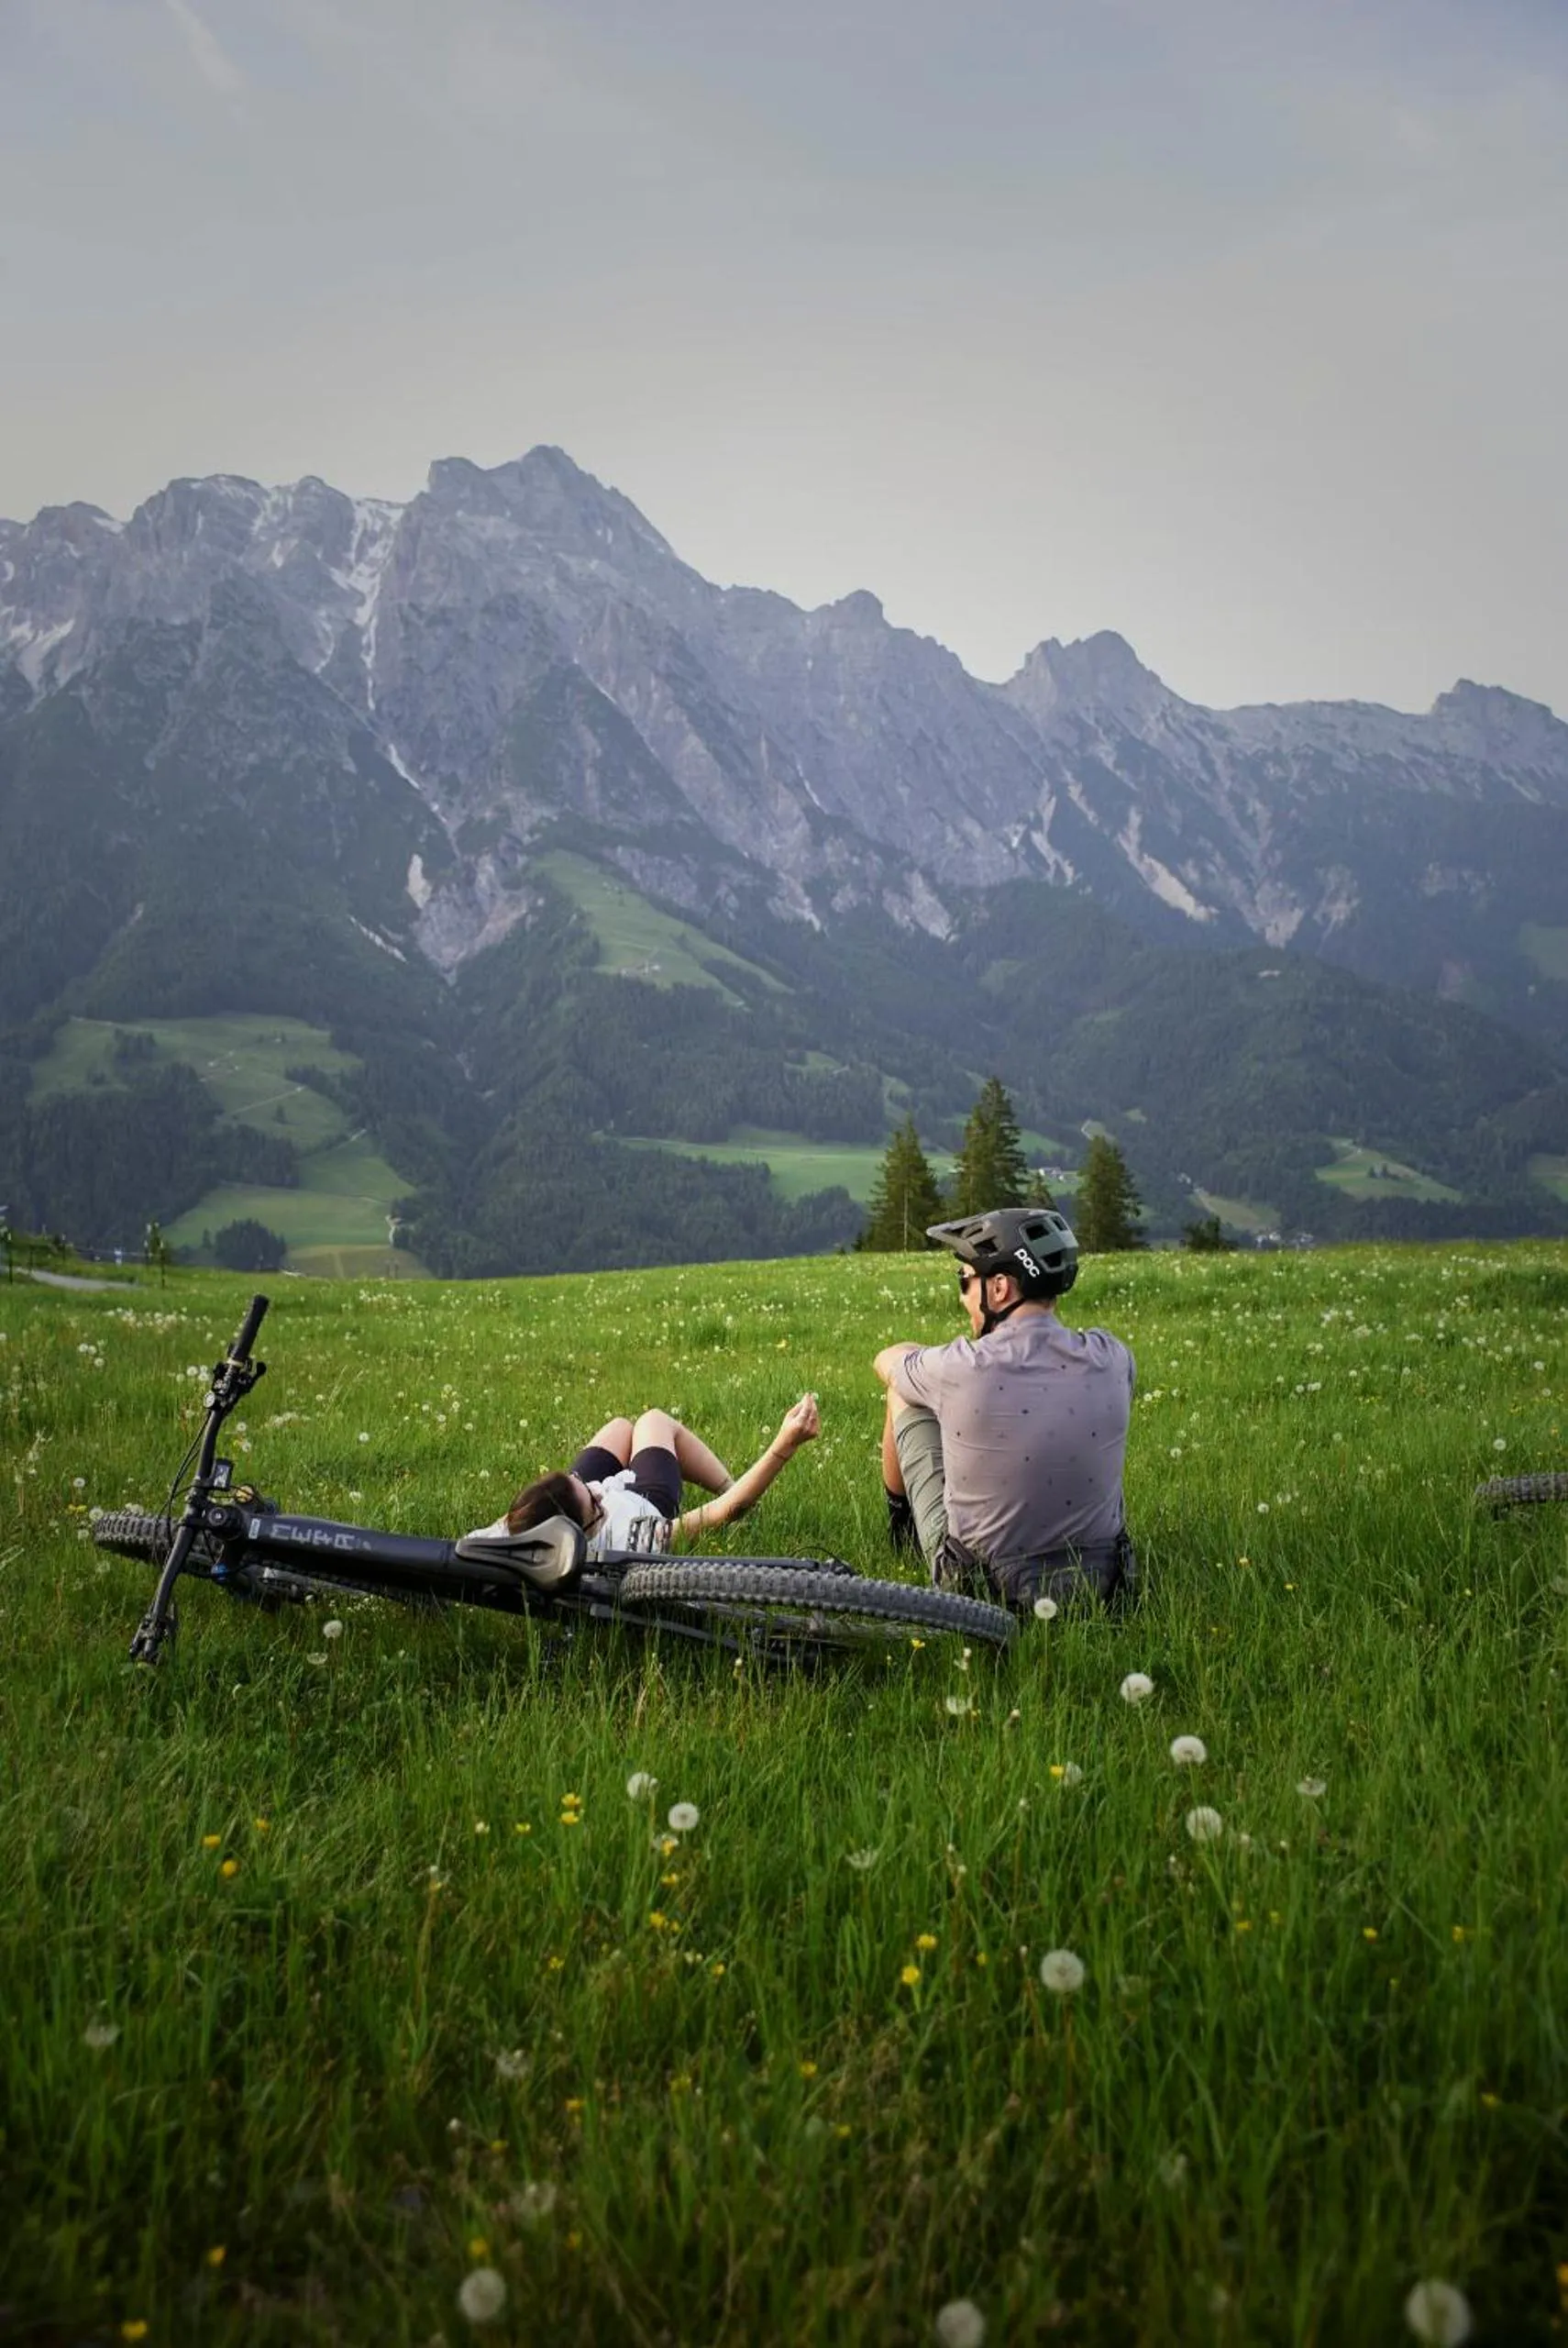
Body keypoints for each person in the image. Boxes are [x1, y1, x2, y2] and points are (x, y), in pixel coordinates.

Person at [872, 1207, 1135, 1613]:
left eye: (964, 1281)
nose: (962, 1297)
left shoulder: (961, 1368)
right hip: (1102, 1584)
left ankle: (900, 1531)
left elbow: (886, 1361)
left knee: (903, 1392)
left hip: (983, 1593)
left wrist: (927, 1361)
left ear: (999, 1288)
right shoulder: (1113, 1357)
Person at [469, 1396, 821, 1556]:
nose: (598, 1491)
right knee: (653, 1420)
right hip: (644, 1500)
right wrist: (784, 1445)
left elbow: (454, 1555)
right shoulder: (632, 1538)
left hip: (563, 1514)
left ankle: (575, 1493)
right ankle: (726, 1482)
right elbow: (726, 1510)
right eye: (595, 1504)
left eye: (578, 1481)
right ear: (577, 1536)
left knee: (620, 1427)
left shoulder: (509, 1532)